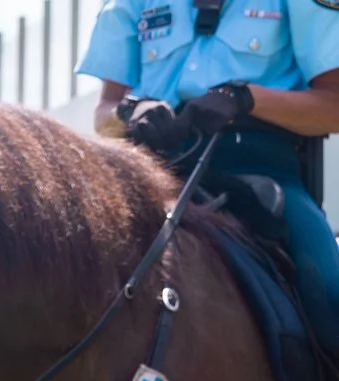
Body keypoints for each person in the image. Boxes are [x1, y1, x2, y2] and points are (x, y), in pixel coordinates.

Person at [84, 0, 339, 361]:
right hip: (152, 173)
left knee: (329, 294)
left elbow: (334, 105)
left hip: (260, 168)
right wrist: (131, 110)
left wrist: (244, 99)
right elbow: (104, 112)